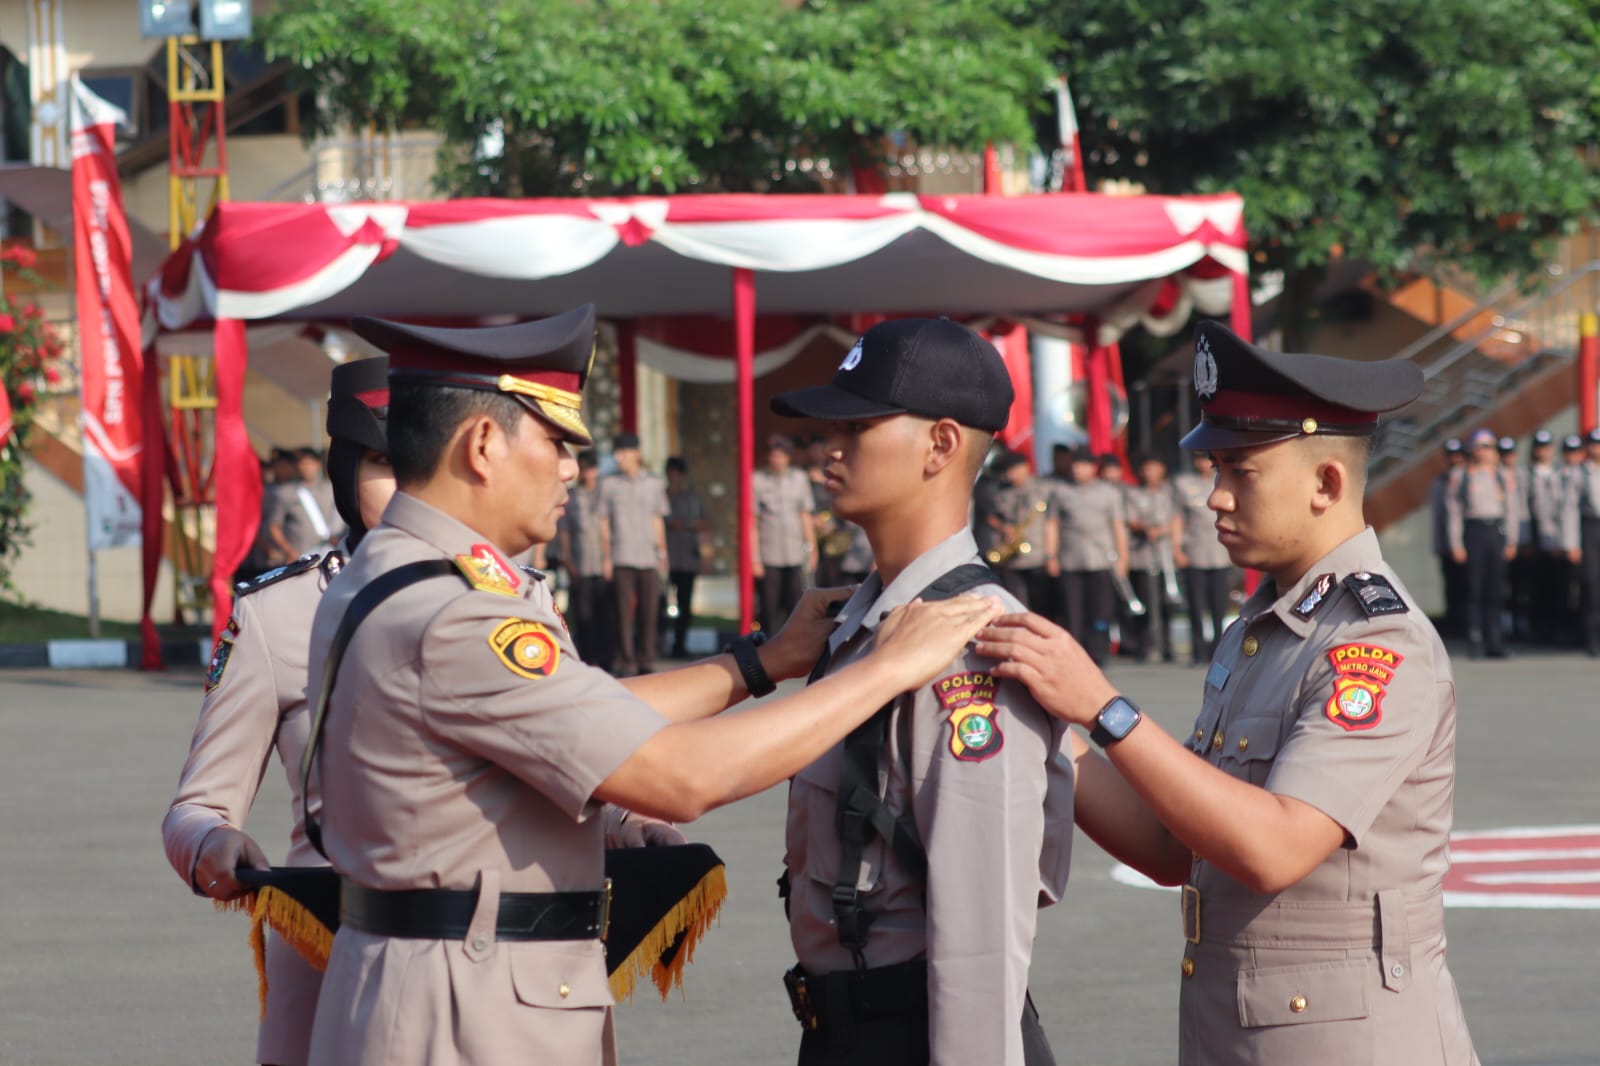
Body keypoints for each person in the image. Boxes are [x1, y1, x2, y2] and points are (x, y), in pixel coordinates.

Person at [303, 306, 1001, 1066]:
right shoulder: (455, 615)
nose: (572, 468)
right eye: (557, 441)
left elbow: (584, 715)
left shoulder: (390, 576)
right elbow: (680, 776)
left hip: (432, 986)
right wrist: (886, 668)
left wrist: (754, 665)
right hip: (463, 1015)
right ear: (481, 445)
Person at [979, 321, 1479, 1066]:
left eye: (1239, 471)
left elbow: (1271, 848)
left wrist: (1103, 708)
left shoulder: (1373, 643)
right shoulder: (1264, 627)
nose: (1214, 497)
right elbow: (1174, 846)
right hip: (1242, 1033)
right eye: (1215, 470)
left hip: (1351, 1043)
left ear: (1326, 484)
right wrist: (1049, 723)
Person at [770, 317, 1072, 1066]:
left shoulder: (975, 640)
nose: (827, 448)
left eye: (859, 425)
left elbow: (979, 938)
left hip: (921, 1034)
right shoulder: (864, 624)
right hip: (843, 1031)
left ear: (941, 445)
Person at [162, 357, 396, 1066]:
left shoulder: (516, 601)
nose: (415, 487)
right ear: (345, 471)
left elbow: (570, 762)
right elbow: (197, 805)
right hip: (331, 944)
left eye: (430, 461)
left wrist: (628, 822)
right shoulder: (281, 610)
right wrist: (212, 847)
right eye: (387, 463)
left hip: (498, 965)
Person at [1045, 446, 1127, 664]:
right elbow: (1052, 524)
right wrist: (1051, 555)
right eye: (1075, 465)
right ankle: (1076, 652)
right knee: (1072, 610)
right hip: (1071, 558)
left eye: (1083, 465)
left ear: (1093, 468)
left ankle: (1098, 651)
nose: (1077, 469)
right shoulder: (1060, 491)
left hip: (1100, 558)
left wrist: (1123, 558)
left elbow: (1118, 527)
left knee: (1100, 609)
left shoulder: (1109, 493)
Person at [1445, 428, 1521, 658]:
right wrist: (1456, 543)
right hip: (1474, 530)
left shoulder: (1502, 475)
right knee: (1475, 587)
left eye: (1489, 446)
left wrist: (1512, 540)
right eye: (1481, 447)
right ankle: (1475, 637)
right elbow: (1454, 512)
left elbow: (1512, 510)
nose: (1485, 452)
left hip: (1495, 531)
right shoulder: (1462, 475)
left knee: (1496, 588)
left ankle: (1495, 638)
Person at [599, 431, 669, 676]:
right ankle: (626, 660)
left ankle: (646, 658)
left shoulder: (654, 484)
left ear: (636, 454)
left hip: (648, 557)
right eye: (616, 453)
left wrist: (663, 553)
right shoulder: (608, 484)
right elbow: (604, 522)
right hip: (622, 556)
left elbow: (657, 519)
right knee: (622, 612)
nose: (619, 458)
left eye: (623, 452)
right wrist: (606, 556)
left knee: (649, 611)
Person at [1171, 451, 1234, 663]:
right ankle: (1198, 649)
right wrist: (1177, 549)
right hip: (1195, 550)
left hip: (1218, 550)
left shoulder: (1225, 480)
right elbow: (1178, 519)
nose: (1203, 463)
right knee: (1196, 604)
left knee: (1219, 604)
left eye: (1207, 460)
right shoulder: (1183, 484)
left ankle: (1218, 648)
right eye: (1198, 459)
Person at [752, 433, 817, 632]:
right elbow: (752, 522)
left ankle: (793, 642)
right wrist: (754, 558)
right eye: (774, 455)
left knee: (795, 601)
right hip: (769, 552)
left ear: (788, 457)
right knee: (769, 605)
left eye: (781, 455)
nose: (777, 460)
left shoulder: (799, 479)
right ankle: (770, 645)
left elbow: (804, 515)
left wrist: (812, 548)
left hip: (794, 550)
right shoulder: (757, 480)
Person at [555, 451, 613, 668]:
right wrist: (568, 560)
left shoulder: (603, 494)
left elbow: (608, 529)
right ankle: (586, 660)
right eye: (586, 469)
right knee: (583, 613)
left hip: (601, 562)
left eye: (593, 469)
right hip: (580, 562)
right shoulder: (571, 496)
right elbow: (565, 532)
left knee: (604, 615)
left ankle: (607, 661)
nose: (590, 474)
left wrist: (609, 559)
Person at [1519, 430, 1572, 646]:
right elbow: (1522, 507)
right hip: (1537, 537)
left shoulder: (1560, 473)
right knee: (1536, 588)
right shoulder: (1527, 474)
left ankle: (1558, 629)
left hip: (1557, 538)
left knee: (1560, 588)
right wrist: (1525, 540)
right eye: (1540, 447)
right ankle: (1538, 629)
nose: (1544, 451)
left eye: (1547, 447)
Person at [1123, 452, 1177, 663]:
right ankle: (1144, 644)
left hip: (1165, 557)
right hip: (1142, 556)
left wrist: (1164, 531)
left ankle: (1166, 644)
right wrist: (1146, 528)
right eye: (1146, 468)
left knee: (1167, 604)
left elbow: (1177, 519)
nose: (1150, 472)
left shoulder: (1169, 493)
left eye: (1154, 467)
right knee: (1145, 602)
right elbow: (1130, 520)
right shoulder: (1134, 493)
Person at [989, 450, 1053, 612]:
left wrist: (1051, 554)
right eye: (1008, 471)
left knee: (1040, 602)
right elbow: (990, 517)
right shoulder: (1001, 491)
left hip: (1037, 553)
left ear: (1025, 468)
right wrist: (1004, 528)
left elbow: (1052, 523)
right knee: (1013, 601)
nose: (1011, 475)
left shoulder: (1042, 489)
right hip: (1011, 557)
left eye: (1014, 470)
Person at [663, 455, 710, 658]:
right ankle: (658, 642)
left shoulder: (692, 498)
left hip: (687, 558)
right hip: (666, 559)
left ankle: (679, 645)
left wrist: (687, 525)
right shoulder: (661, 496)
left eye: (677, 473)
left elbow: (707, 523)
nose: (674, 477)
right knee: (660, 604)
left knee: (684, 605)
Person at [267, 447, 345, 561]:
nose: (307, 468)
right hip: (301, 556)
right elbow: (274, 527)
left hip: (330, 552)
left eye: (310, 463)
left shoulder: (331, 489)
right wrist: (289, 551)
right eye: (303, 463)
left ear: (318, 465)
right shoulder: (286, 492)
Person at [1429, 439, 1467, 637]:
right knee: (1450, 587)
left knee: (1467, 587)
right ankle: (1454, 623)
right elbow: (1437, 516)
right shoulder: (1440, 480)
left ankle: (1465, 624)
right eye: (1451, 455)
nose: (1454, 459)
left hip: (1465, 545)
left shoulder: (1466, 477)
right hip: (1445, 545)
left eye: (1458, 454)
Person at [1575, 427, 1600, 656]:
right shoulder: (1580, 472)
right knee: (1592, 584)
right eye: (1593, 444)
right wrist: (1571, 541)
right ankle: (1592, 637)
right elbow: (1570, 509)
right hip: (1590, 526)